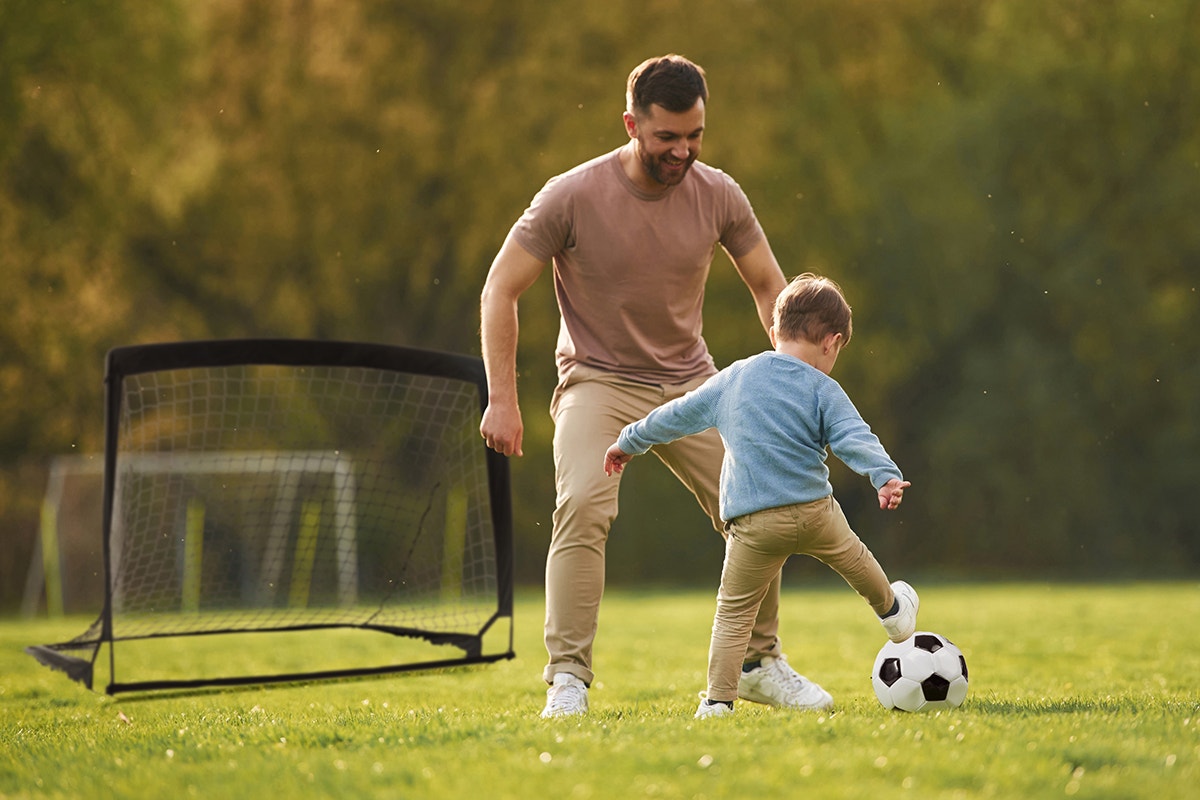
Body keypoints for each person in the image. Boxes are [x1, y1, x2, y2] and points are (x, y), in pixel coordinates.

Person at [480, 54, 829, 718]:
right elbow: (502, 287)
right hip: (596, 380)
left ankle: (757, 663)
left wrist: (793, 380)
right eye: (668, 136)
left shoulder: (719, 193)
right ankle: (568, 680)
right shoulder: (572, 196)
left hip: (691, 383)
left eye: (695, 135)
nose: (683, 151)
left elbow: (768, 288)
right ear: (631, 124)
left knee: (763, 506)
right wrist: (502, 396)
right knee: (583, 504)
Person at [603, 273, 919, 719]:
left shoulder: (735, 378)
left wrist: (628, 441)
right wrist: (884, 476)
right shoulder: (823, 388)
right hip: (814, 513)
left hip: (753, 525)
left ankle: (717, 703)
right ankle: (893, 614)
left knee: (733, 617)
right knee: (856, 559)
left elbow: (676, 415)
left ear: (774, 333)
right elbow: (854, 436)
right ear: (831, 343)